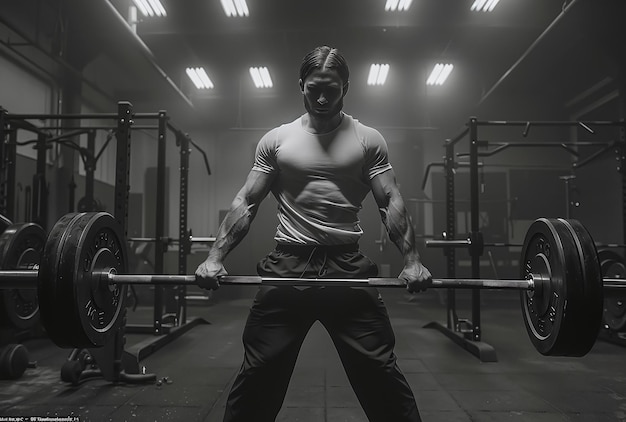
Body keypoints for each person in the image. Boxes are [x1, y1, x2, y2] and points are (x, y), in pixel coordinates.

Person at [195, 45, 432, 422]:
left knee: (381, 373)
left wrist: (413, 261)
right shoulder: (277, 140)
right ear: (300, 85)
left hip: (346, 265)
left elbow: (390, 200)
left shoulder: (368, 139)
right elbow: (247, 202)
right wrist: (214, 257)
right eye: (314, 88)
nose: (322, 98)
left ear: (346, 88)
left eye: (332, 89)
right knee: (258, 375)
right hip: (289, 265)